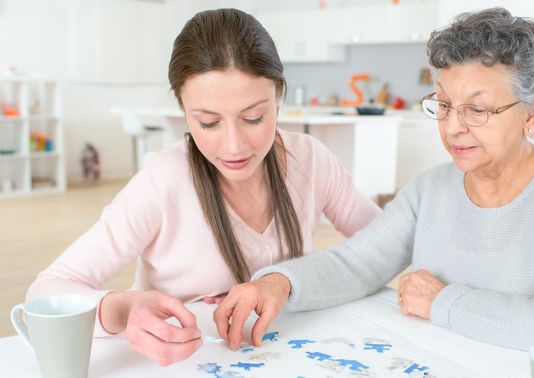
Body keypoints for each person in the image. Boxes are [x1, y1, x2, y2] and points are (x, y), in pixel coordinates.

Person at [214, 7, 534, 352]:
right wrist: (279, 283)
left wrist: (442, 302)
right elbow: (357, 263)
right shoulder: (431, 188)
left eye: (477, 110)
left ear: (532, 115)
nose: (453, 127)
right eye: (443, 105)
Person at [26, 8, 380, 366]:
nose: (234, 147)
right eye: (208, 123)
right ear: (184, 110)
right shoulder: (163, 182)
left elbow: (386, 246)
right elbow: (46, 291)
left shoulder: (310, 160)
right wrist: (122, 308)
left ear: (279, 96)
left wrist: (285, 281)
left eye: (254, 118)